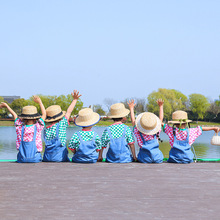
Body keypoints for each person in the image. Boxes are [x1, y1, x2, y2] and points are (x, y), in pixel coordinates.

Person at [0, 96, 46, 163]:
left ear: (23, 118)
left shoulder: (19, 128)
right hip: (35, 159)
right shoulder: (37, 127)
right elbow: (44, 114)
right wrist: (40, 102)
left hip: (22, 159)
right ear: (35, 119)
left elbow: (14, 115)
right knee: (38, 156)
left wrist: (7, 106)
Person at [43, 90, 81, 162]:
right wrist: (75, 100)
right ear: (60, 117)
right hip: (60, 158)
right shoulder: (61, 124)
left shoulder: (45, 129)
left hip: (47, 158)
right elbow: (69, 111)